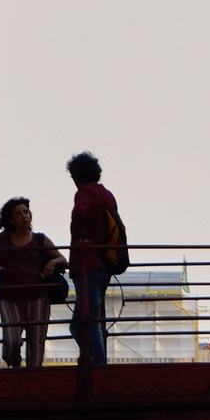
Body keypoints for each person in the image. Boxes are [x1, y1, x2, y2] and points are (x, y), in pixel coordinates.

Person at [0, 197, 65, 369]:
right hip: (8, 295)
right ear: (11, 220)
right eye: (18, 214)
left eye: (26, 212)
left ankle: (33, 376)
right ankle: (14, 364)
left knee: (36, 341)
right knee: (12, 339)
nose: (24, 216)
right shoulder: (2, 239)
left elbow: (61, 258)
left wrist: (52, 263)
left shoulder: (40, 239)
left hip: (37, 295)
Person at [66, 152, 119, 366]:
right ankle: (96, 361)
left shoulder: (84, 194)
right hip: (105, 262)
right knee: (89, 318)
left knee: (88, 321)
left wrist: (81, 237)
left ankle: (98, 366)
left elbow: (80, 212)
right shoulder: (107, 194)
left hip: (87, 262)